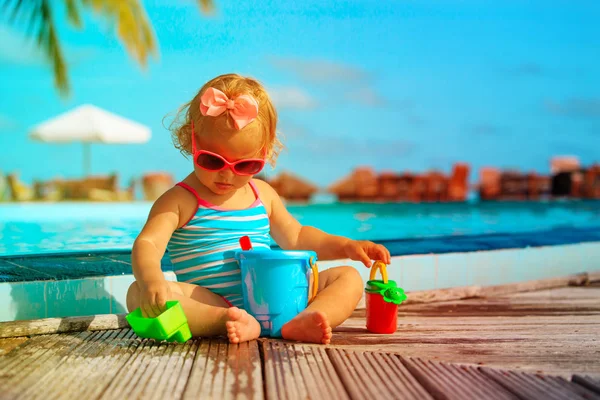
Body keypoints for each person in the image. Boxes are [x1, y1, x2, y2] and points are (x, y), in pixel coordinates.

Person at [126, 73, 391, 345]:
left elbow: (297, 237)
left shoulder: (262, 194)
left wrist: (347, 246)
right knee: (137, 294)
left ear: (264, 154)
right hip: (214, 300)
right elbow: (147, 243)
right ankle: (226, 321)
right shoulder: (180, 199)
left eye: (245, 166)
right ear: (190, 141)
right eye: (212, 160)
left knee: (349, 277)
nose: (227, 176)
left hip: (278, 294)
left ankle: (310, 317)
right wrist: (151, 280)